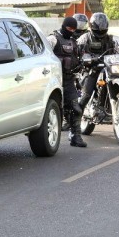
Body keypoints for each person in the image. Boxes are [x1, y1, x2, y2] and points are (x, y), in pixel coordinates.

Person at [47, 16, 87, 147]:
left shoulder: (73, 42)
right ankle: (46, 140)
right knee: (52, 111)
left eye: (74, 29)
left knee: (76, 109)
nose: (71, 31)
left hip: (69, 80)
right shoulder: (53, 39)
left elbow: (78, 58)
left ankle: (76, 137)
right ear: (64, 26)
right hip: (53, 81)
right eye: (69, 28)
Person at [76, 12, 119, 110]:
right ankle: (76, 118)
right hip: (91, 69)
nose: (100, 31)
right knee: (85, 96)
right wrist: (84, 58)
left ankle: (108, 105)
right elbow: (76, 52)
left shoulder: (111, 39)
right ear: (92, 26)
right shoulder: (85, 38)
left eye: (103, 29)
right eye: (98, 29)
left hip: (108, 69)